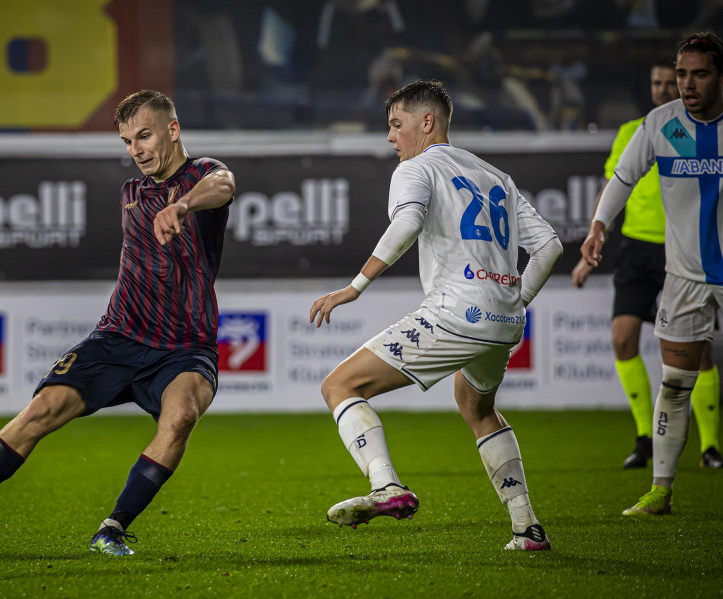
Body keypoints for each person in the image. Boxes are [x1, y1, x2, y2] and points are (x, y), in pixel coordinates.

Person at [0, 90, 236, 555]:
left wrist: (184, 206)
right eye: (127, 141)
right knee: (42, 410)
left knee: (181, 416)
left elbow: (225, 186)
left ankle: (111, 528)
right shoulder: (131, 193)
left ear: (173, 130)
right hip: (118, 336)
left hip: (185, 347)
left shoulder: (203, 175)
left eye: (145, 136)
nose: (136, 150)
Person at [310, 79, 563, 550]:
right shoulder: (496, 177)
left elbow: (405, 223)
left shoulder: (415, 168)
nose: (391, 137)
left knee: (340, 386)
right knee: (477, 406)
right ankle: (526, 527)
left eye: (396, 124)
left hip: (457, 311)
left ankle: (386, 486)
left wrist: (355, 286)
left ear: (426, 122)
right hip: (506, 319)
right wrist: (515, 300)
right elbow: (549, 247)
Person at [582, 32, 723, 516]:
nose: (686, 84)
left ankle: (709, 450)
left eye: (699, 73)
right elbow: (622, 176)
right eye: (681, 74)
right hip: (683, 279)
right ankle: (661, 490)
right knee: (675, 383)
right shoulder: (661, 124)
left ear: (720, 76)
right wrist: (599, 224)